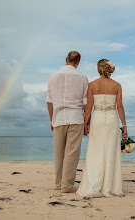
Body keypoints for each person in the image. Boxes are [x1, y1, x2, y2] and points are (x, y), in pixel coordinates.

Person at [76, 59, 127, 197]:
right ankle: (108, 188)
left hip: (97, 118)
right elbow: (120, 107)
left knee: (96, 151)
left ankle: (94, 185)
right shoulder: (117, 85)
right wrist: (125, 127)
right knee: (110, 151)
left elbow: (89, 107)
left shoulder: (92, 85)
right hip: (112, 119)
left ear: (99, 70)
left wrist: (85, 124)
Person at [46, 51, 89, 193]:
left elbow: (49, 101)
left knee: (58, 152)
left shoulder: (53, 77)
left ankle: (59, 184)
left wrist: (52, 120)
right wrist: (87, 121)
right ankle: (67, 186)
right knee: (72, 153)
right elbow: (85, 103)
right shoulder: (82, 77)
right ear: (78, 62)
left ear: (66, 59)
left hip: (58, 118)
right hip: (76, 118)